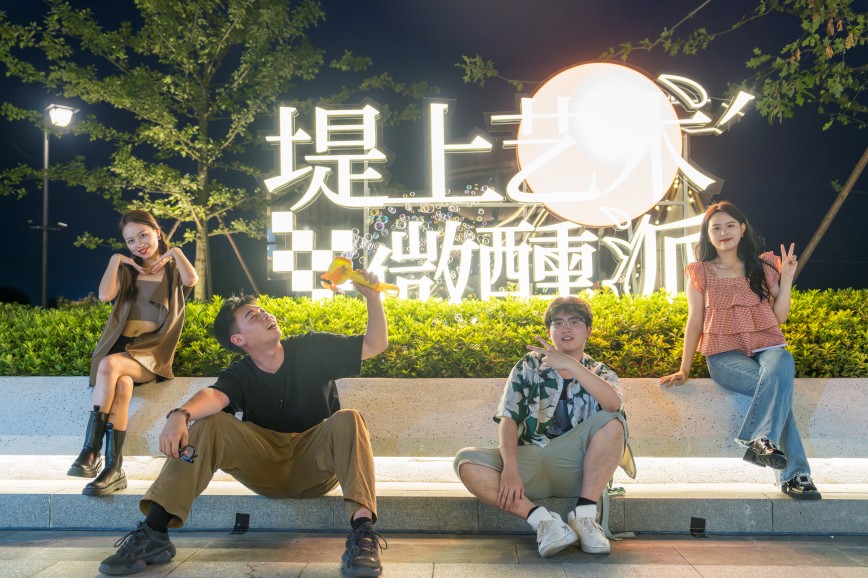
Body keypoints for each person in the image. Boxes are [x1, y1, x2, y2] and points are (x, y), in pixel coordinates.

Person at [98, 276, 389, 577]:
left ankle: (363, 534)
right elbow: (215, 396)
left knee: (349, 418)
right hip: (264, 466)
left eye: (263, 311)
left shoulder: (312, 347)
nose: (265, 315)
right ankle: (154, 533)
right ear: (239, 340)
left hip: (314, 464)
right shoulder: (239, 373)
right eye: (253, 316)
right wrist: (180, 414)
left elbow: (374, 344)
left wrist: (372, 298)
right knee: (211, 423)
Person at [660, 201, 820, 500]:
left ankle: (762, 442)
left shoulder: (763, 267)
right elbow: (694, 321)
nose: (724, 232)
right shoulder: (700, 273)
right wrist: (684, 367)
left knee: (781, 361)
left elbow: (780, 316)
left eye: (730, 225)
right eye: (716, 228)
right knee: (778, 389)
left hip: (767, 347)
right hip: (724, 356)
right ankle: (795, 474)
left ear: (742, 228)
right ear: (708, 235)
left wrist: (786, 277)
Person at [454, 296, 635, 558]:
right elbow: (509, 419)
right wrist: (511, 468)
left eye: (574, 322)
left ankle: (584, 516)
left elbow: (613, 404)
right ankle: (545, 522)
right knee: (466, 461)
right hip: (532, 458)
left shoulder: (599, 371)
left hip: (578, 468)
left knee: (614, 422)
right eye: (557, 322)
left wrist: (571, 364)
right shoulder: (529, 365)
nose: (566, 328)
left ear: (588, 330)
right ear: (549, 331)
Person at [68, 209, 198, 497]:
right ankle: (113, 469)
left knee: (109, 366)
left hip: (151, 351)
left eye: (143, 235)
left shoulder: (173, 270)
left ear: (157, 233)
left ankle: (89, 451)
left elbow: (192, 279)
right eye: (130, 241)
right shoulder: (127, 270)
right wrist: (116, 259)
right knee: (122, 386)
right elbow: (105, 295)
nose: (139, 244)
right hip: (120, 346)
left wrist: (175, 251)